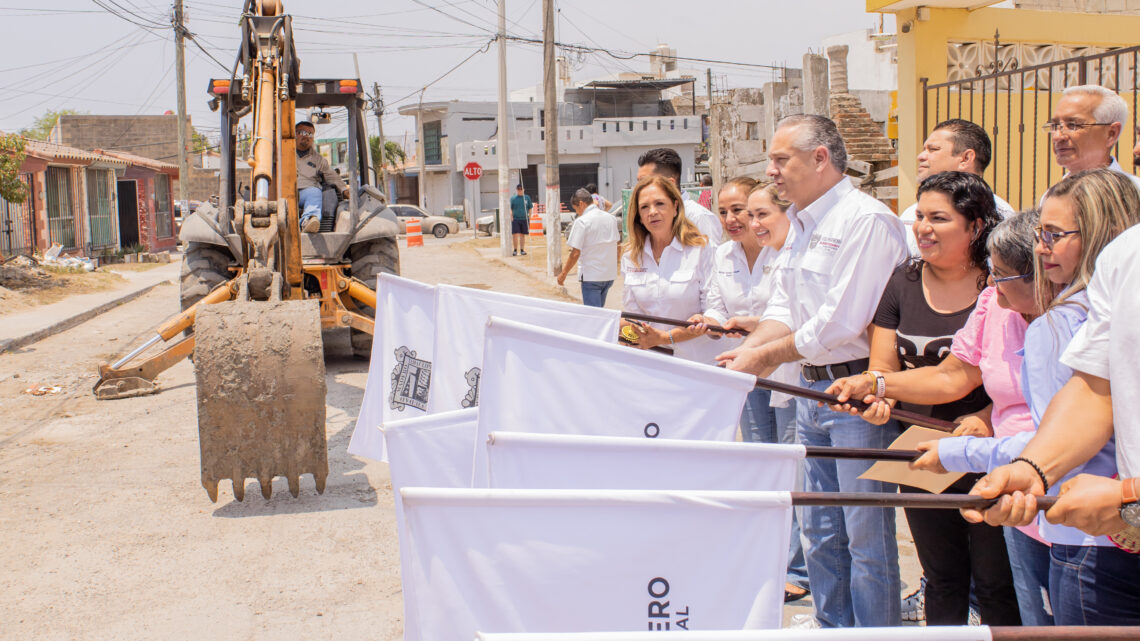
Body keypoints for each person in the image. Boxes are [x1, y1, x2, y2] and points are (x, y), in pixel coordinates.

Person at [717, 114, 908, 628]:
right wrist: (747, 352)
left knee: (866, 535)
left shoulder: (864, 220)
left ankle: (875, 634)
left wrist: (762, 358)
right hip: (812, 391)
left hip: (856, 393)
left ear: (820, 158)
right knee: (820, 531)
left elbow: (840, 320)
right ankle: (833, 627)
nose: (772, 172)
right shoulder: (802, 224)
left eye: (781, 160)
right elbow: (784, 308)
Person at [925, 169, 1140, 625]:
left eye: (1054, 235)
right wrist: (1032, 469)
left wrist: (960, 452)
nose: (1042, 248)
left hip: (1098, 538)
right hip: (1109, 531)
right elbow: (1091, 393)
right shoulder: (1124, 261)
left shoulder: (1057, 322)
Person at [828, 210, 1051, 625]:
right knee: (956, 581)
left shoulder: (1075, 321)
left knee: (1004, 593)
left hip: (1043, 479)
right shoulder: (991, 303)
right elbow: (952, 376)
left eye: (1001, 278)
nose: (994, 291)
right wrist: (874, 385)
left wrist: (973, 434)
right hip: (983, 463)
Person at [690, 178, 811, 603]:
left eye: (742, 209)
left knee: (790, 465)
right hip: (744, 369)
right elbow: (716, 302)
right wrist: (714, 317)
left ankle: (795, 567)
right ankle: (766, 559)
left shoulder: (788, 252)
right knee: (760, 462)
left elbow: (791, 316)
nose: (734, 220)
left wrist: (750, 328)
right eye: (725, 211)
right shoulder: (722, 254)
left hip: (788, 373)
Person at [619, 175, 718, 363]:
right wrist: (618, 329)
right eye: (644, 207)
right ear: (638, 216)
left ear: (675, 207)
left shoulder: (703, 250)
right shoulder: (631, 256)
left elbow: (713, 313)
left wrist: (666, 338)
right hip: (650, 362)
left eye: (660, 204)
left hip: (697, 364)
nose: (652, 212)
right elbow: (633, 315)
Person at [899, 119, 1014, 256]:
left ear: (966, 158)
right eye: (920, 216)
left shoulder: (1001, 217)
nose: (921, 156)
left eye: (933, 149)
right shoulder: (909, 214)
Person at [1044, 84, 1140, 192]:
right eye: (1054, 126)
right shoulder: (1051, 195)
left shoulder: (1134, 193)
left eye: (1072, 125)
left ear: (1111, 133)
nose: (1057, 137)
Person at [636, 147, 723, 246]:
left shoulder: (698, 217)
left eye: (645, 181)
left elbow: (710, 258)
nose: (639, 188)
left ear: (670, 183)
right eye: (639, 182)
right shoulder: (645, 216)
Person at [557, 188, 620, 307]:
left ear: (581, 204)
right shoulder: (611, 218)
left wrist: (563, 274)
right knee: (600, 314)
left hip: (591, 277)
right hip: (608, 275)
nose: (578, 213)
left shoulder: (582, 222)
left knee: (593, 317)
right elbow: (617, 244)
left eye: (576, 210)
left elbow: (575, 253)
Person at [295, 120, 348, 233]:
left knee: (315, 192)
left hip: (305, 193)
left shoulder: (318, 159)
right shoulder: (280, 153)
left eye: (310, 134)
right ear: (294, 134)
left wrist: (344, 190)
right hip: (283, 192)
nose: (307, 137)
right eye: (303, 133)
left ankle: (308, 220)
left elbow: (332, 176)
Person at [510, 184, 533, 256]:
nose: (520, 191)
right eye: (518, 189)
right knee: (515, 235)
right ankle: (515, 250)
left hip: (524, 219)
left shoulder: (527, 198)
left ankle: (522, 250)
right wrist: (511, 216)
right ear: (516, 190)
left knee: (522, 235)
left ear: (523, 189)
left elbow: (530, 208)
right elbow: (510, 208)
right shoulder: (513, 198)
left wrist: (530, 217)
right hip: (516, 219)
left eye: (521, 189)